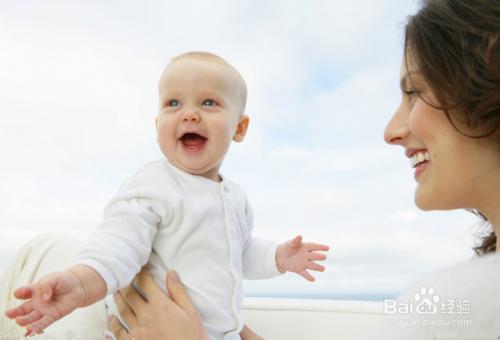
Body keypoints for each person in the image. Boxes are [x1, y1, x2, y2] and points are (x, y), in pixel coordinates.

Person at [105, 0, 500, 338]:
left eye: (414, 92)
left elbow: (241, 251)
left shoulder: (464, 301)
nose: (391, 131)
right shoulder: (465, 300)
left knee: (50, 252)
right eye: (172, 104)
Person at [3, 52, 329, 339]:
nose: (189, 113)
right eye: (174, 103)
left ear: (239, 128)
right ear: (158, 124)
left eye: (208, 102)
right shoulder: (155, 185)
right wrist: (81, 281)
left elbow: (240, 251)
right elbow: (118, 242)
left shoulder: (235, 197)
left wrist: (277, 257)